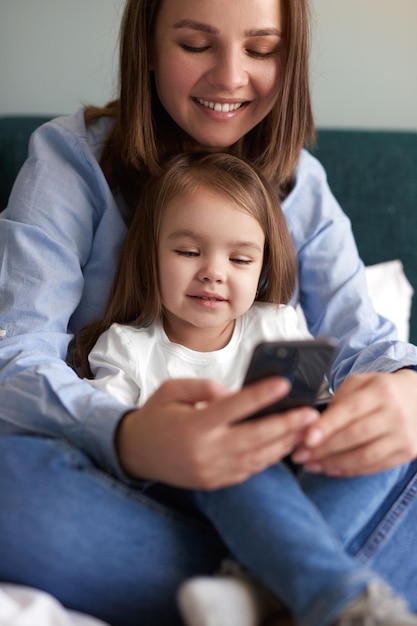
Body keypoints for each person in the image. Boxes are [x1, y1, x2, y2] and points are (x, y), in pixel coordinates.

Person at [1, 0, 417, 625]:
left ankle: (252, 592)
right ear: (146, 44)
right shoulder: (72, 158)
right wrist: (129, 437)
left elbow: (367, 343)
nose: (229, 77)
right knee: (11, 481)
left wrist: (406, 394)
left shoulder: (301, 183)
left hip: (294, 485)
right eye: (196, 44)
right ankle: (307, 580)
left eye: (260, 49)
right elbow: (15, 353)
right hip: (130, 491)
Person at [66, 149, 417, 626]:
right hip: (191, 496)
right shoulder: (125, 348)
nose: (214, 271)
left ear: (262, 268)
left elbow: (310, 411)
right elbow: (112, 451)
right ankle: (319, 594)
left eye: (240, 258)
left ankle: (250, 589)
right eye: (189, 251)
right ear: (151, 253)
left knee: (387, 444)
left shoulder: (278, 326)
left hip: (295, 485)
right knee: (230, 455)